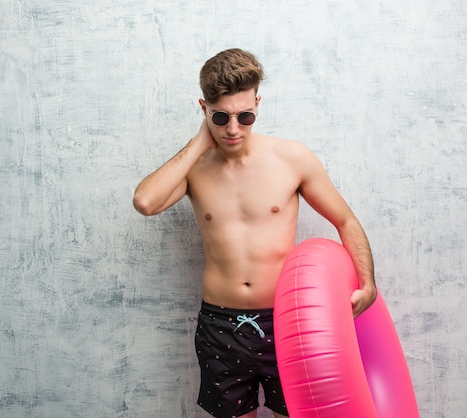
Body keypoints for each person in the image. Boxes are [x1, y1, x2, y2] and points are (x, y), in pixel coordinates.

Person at [132, 48, 377, 418]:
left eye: (245, 116)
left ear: (258, 104)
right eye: (221, 117)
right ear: (203, 108)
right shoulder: (195, 168)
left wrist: (368, 283)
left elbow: (346, 220)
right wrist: (200, 140)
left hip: (287, 322)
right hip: (220, 326)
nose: (233, 129)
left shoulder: (291, 158)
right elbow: (145, 202)